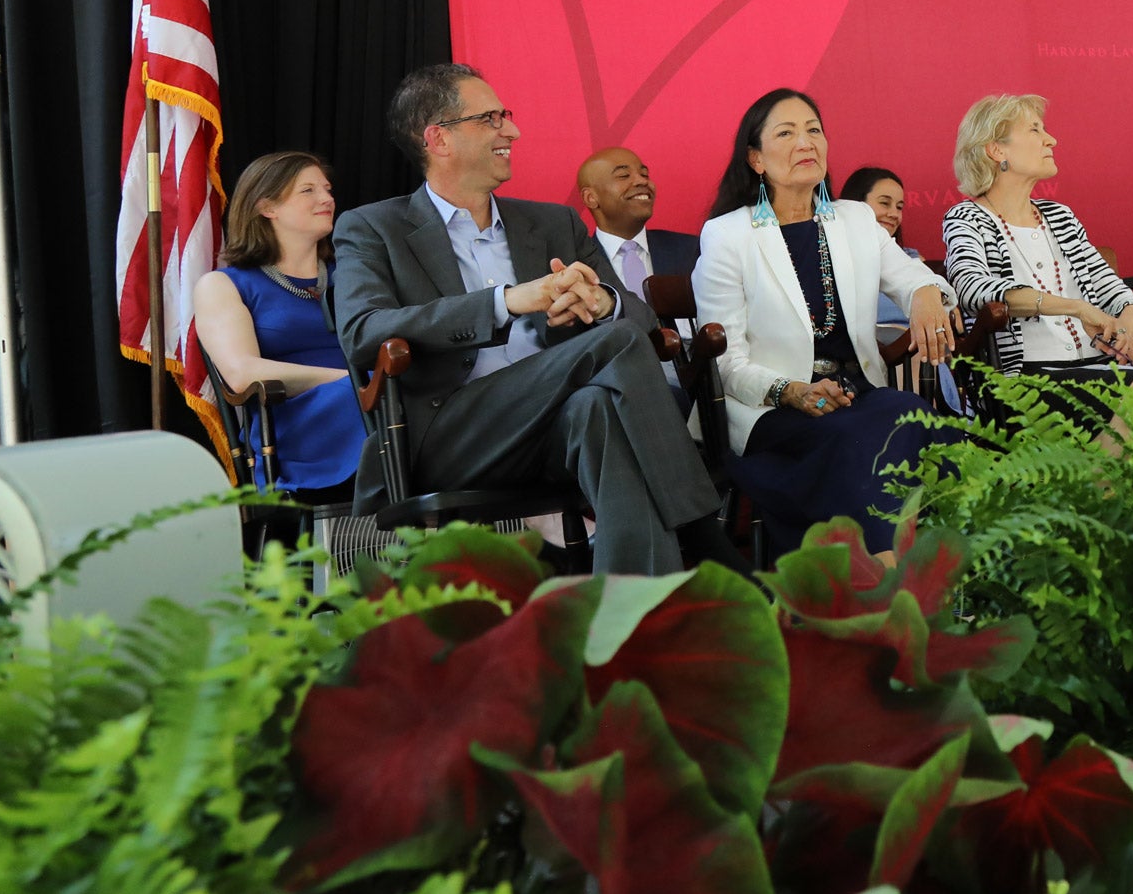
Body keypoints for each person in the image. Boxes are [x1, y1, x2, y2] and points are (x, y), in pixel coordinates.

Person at [332, 63, 742, 576]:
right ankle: (705, 535)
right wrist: (506, 301)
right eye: (490, 119)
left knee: (598, 407)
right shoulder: (373, 227)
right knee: (613, 345)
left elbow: (639, 319)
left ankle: (630, 604)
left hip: (554, 424)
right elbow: (363, 331)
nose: (512, 130)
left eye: (505, 115)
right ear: (438, 139)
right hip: (451, 436)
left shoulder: (553, 222)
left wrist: (602, 303)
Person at [692, 89, 958, 553]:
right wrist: (792, 391)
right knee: (869, 434)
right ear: (756, 159)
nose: (805, 142)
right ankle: (886, 570)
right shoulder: (728, 234)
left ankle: (926, 566)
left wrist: (925, 295)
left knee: (908, 415)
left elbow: (912, 276)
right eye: (786, 133)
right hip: (772, 408)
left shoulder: (855, 219)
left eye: (813, 129)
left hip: (859, 393)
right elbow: (726, 363)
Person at [940, 93, 1133, 419]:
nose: (1051, 140)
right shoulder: (967, 218)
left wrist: (1129, 315)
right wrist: (1077, 308)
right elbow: (972, 289)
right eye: (1035, 130)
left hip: (1098, 365)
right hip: (1025, 376)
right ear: (997, 150)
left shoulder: (1060, 216)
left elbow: (1109, 286)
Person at [191, 150, 368, 503]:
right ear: (267, 206)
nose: (327, 199)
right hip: (293, 425)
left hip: (370, 402)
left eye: (328, 189)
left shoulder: (356, 275)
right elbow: (242, 374)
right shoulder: (223, 285)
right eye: (308, 190)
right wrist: (355, 381)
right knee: (381, 399)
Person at [576, 145, 698, 310]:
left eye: (644, 174)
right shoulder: (578, 266)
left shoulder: (693, 250)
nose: (642, 181)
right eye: (623, 176)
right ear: (591, 198)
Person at [841, 165, 916, 332]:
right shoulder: (831, 258)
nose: (894, 214)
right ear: (856, 205)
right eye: (885, 203)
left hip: (914, 345)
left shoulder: (911, 261)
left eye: (899, 207)